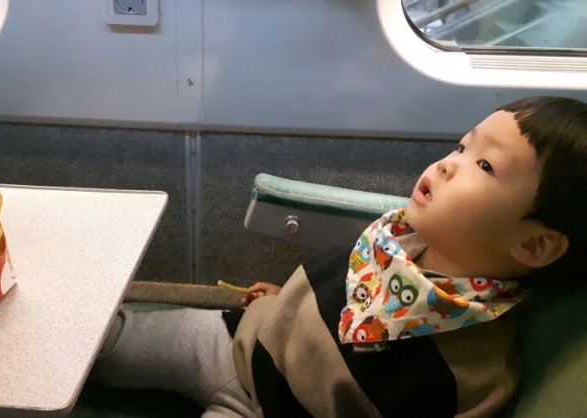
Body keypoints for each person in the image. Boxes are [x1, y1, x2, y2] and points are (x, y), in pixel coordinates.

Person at [90, 96, 587, 417]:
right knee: (102, 344)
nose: (448, 164)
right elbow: (337, 296)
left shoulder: (474, 378)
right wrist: (285, 299)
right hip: (241, 341)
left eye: (484, 164)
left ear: (534, 245)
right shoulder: (397, 239)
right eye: (461, 147)